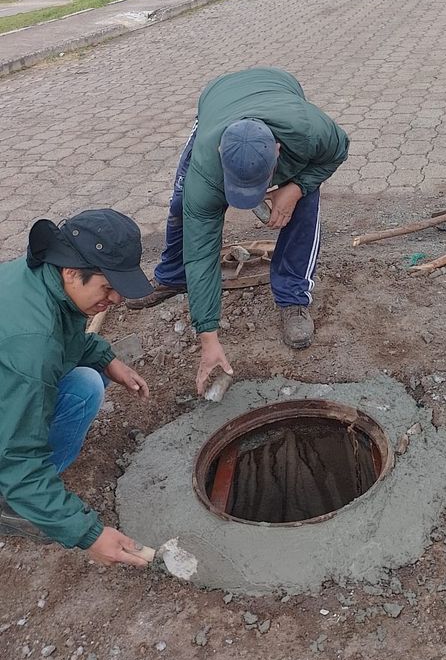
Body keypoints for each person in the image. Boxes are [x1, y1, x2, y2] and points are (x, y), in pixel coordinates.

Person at [127, 67, 349, 392]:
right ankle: (173, 276)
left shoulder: (310, 132)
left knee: (304, 203)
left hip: (278, 90)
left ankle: (293, 297)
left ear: (277, 151)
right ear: (221, 153)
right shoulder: (207, 162)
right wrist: (208, 336)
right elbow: (202, 252)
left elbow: (337, 152)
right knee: (183, 204)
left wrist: (296, 187)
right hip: (218, 101)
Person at [0, 208, 154, 567]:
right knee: (79, 394)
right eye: (108, 287)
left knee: (88, 380)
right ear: (72, 272)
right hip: (19, 375)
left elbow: (64, 332)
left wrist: (107, 359)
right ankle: (11, 502)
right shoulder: (33, 345)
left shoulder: (43, 278)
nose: (115, 299)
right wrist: (89, 534)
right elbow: (19, 457)